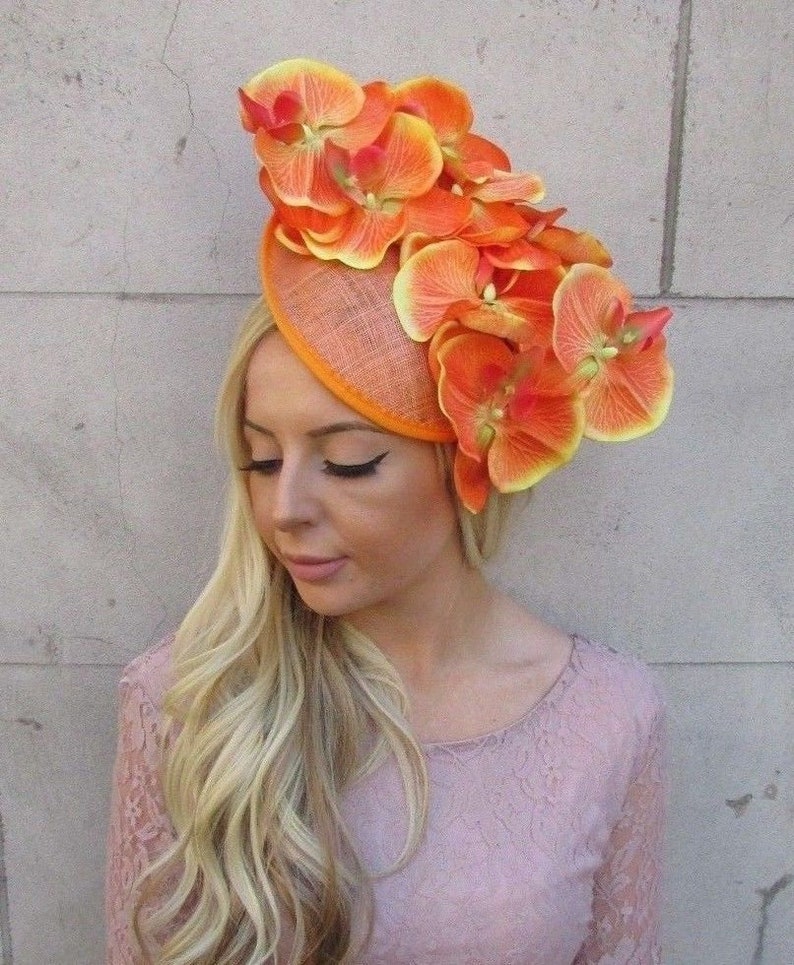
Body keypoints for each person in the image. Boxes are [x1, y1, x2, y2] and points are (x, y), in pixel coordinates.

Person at [105, 58, 672, 964]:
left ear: (469, 460)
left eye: (348, 462)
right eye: (260, 457)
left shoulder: (608, 717)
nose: (284, 508)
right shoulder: (191, 704)